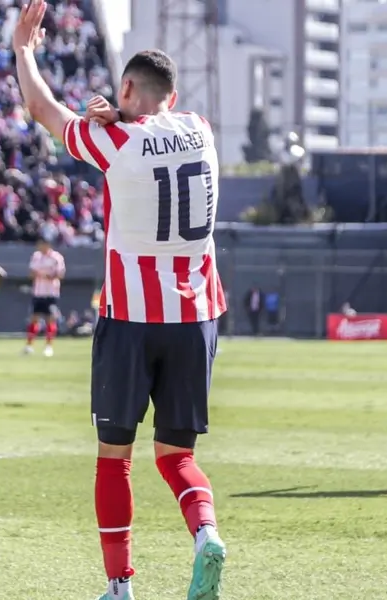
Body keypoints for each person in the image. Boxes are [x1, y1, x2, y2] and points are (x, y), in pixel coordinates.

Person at [13, 3, 228, 598]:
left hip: (131, 316)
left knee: (116, 456)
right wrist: (121, 112)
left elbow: (41, 109)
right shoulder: (201, 130)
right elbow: (159, 117)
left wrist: (24, 50)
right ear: (175, 94)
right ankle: (205, 533)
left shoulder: (116, 144)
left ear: (128, 87)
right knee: (176, 454)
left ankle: (120, 585)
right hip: (195, 314)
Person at [23, 238, 65, 357]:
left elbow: (60, 274)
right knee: (33, 318)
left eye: (41, 244)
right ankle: (29, 346)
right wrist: (38, 274)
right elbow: (31, 273)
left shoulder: (56, 257)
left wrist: (46, 275)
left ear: (47, 245)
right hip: (38, 292)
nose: (39, 246)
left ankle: (48, 347)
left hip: (51, 293)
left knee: (50, 319)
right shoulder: (36, 256)